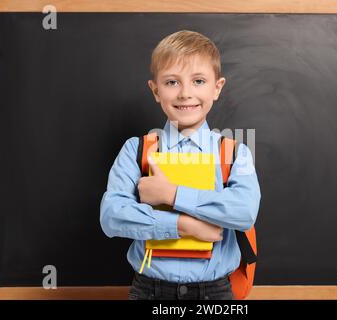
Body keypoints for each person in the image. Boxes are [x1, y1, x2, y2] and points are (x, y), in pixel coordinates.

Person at [100, 30, 261, 300]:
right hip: (149, 290)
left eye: (198, 81)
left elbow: (244, 212)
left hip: (215, 293)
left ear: (217, 87)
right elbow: (112, 216)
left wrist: (170, 194)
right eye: (172, 82)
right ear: (155, 90)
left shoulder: (235, 153)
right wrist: (183, 225)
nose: (186, 93)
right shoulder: (135, 150)